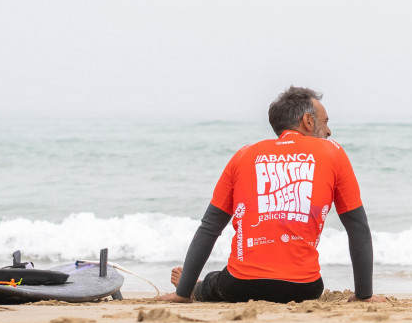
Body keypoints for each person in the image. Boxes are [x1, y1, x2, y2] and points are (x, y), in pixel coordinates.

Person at [157, 86, 385, 303]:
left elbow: (210, 227)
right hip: (305, 288)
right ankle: (198, 283)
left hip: (239, 285)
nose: (328, 131)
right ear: (307, 121)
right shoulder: (334, 152)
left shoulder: (243, 154)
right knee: (223, 280)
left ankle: (193, 286)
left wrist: (183, 293)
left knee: (214, 283)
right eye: (325, 122)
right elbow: (357, 226)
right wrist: (364, 295)